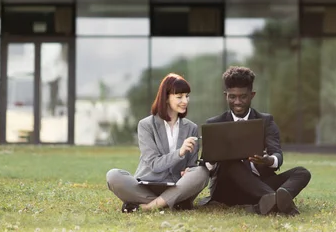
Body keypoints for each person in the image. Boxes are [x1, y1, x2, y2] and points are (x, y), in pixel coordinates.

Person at [200, 66, 311, 216]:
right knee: (231, 161)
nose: (237, 102)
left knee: (302, 172)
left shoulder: (265, 121)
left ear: (252, 95)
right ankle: (276, 199)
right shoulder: (214, 123)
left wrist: (267, 160)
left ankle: (270, 199)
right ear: (226, 95)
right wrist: (212, 159)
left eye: (243, 97)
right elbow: (206, 166)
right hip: (229, 191)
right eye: (232, 97)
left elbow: (277, 155)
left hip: (260, 184)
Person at [106, 73, 209, 212]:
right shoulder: (146, 125)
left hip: (177, 185)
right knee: (113, 175)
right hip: (148, 184)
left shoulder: (191, 128)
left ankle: (150, 206)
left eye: (187, 96)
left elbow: (191, 165)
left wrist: (188, 170)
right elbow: (154, 164)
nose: (185, 101)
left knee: (202, 171)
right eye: (179, 97)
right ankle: (172, 203)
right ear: (166, 98)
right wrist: (179, 152)